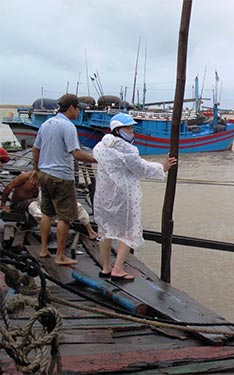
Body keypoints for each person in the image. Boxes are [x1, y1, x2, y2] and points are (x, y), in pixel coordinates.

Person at [93, 113, 176, 282]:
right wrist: (163, 167)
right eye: (128, 128)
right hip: (124, 196)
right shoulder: (128, 149)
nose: (132, 131)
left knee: (105, 230)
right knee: (129, 231)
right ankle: (117, 269)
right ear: (118, 130)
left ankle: (106, 267)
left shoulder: (101, 146)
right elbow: (142, 168)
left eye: (132, 128)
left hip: (104, 195)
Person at [32, 94, 97, 265]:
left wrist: (37, 169)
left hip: (45, 174)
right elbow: (75, 153)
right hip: (61, 176)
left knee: (47, 212)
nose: (79, 111)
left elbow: (35, 149)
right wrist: (98, 158)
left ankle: (44, 249)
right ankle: (60, 256)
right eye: (78, 108)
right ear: (71, 108)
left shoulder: (46, 124)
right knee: (65, 217)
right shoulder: (68, 127)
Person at [0, 171, 98, 239]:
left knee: (77, 206)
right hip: (20, 204)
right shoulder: (26, 176)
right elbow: (9, 187)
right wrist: (3, 204)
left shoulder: (48, 182)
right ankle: (49, 224)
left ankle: (90, 231)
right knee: (33, 205)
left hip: (40, 203)